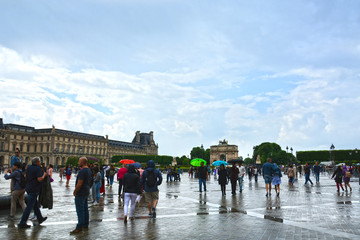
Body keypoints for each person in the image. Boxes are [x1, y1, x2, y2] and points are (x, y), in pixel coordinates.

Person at [18, 157, 48, 228]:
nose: (40, 163)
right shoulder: (37, 168)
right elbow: (39, 179)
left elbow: (25, 176)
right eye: (39, 162)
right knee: (29, 207)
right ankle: (22, 222)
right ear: (37, 162)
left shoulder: (28, 167)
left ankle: (40, 218)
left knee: (35, 205)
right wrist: (44, 175)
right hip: (34, 189)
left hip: (28, 188)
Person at [70, 157, 93, 235]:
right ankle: (85, 224)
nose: (78, 163)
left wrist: (75, 191)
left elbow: (79, 183)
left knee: (80, 210)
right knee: (85, 209)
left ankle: (79, 227)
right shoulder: (89, 170)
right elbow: (91, 181)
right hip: (86, 191)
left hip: (81, 192)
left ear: (82, 162)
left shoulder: (82, 171)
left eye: (79, 161)